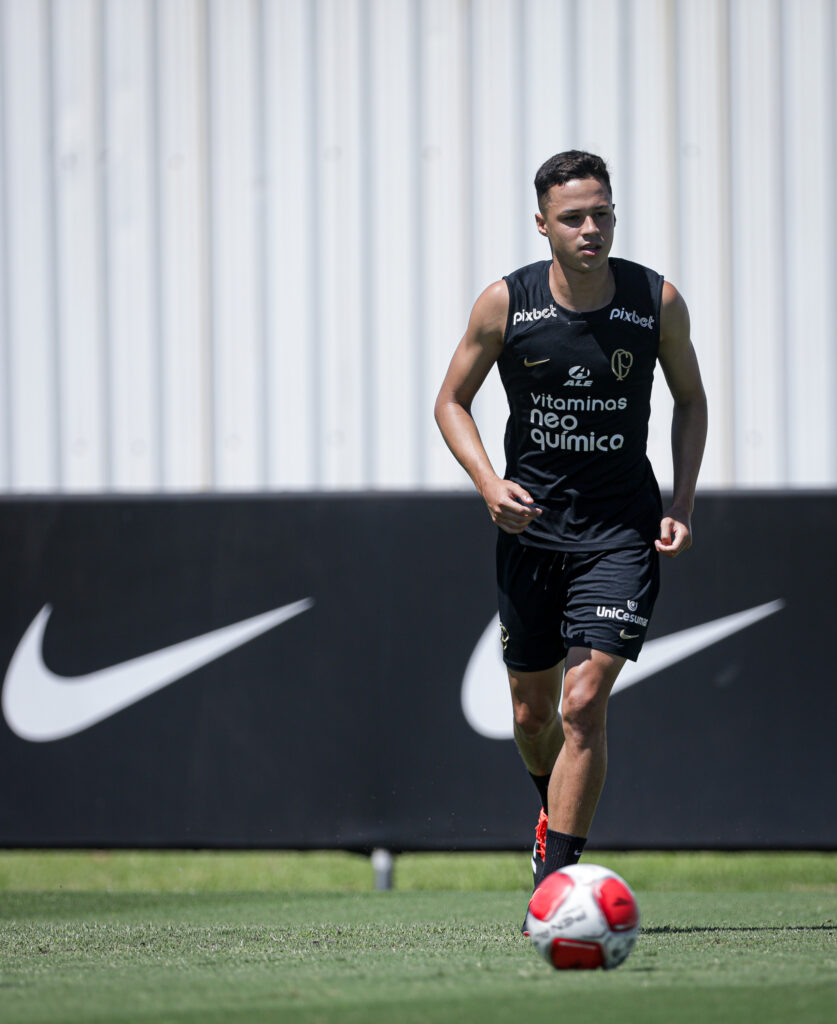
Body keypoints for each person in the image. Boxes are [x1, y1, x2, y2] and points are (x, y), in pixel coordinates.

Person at [434, 150, 707, 908]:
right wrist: (490, 486)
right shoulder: (505, 304)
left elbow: (690, 400)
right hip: (531, 536)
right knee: (530, 715)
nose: (591, 229)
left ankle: (555, 885)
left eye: (602, 214)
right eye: (573, 218)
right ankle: (550, 811)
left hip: (620, 533)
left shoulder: (654, 301)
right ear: (542, 225)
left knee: (583, 702)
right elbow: (450, 401)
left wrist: (680, 502)